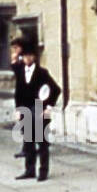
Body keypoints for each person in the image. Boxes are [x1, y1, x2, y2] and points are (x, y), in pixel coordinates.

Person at [15, 42, 61, 181]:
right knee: (28, 142)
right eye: (24, 56)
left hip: (39, 110)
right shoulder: (20, 72)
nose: (27, 59)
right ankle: (29, 170)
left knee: (42, 143)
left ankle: (43, 171)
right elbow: (18, 93)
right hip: (26, 111)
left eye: (29, 56)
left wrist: (48, 107)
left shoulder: (42, 73)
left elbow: (56, 89)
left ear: (34, 57)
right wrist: (18, 110)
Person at [10, 35, 28, 160]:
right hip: (21, 95)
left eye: (16, 48)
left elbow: (21, 75)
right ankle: (27, 148)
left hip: (26, 96)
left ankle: (27, 149)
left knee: (26, 124)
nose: (14, 51)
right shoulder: (20, 60)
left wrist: (15, 62)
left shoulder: (25, 60)